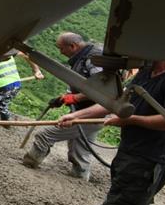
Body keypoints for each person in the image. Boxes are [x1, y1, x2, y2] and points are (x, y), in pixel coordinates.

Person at [55, 60, 165, 205]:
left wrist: (130, 120)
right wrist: (76, 115)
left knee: (124, 199)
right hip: (131, 146)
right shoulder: (147, 70)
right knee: (135, 198)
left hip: (154, 154)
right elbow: (115, 101)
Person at [23, 33, 104, 180]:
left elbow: (102, 91)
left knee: (44, 135)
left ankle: (29, 164)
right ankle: (79, 177)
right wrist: (63, 98)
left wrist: (74, 98)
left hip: (93, 114)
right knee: (79, 149)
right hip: (90, 113)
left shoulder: (93, 59)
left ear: (73, 46)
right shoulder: (82, 58)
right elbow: (82, 85)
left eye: (61, 49)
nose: (61, 52)